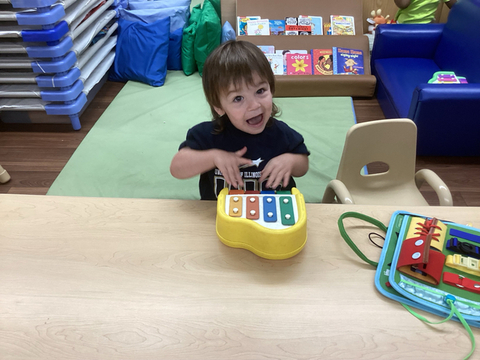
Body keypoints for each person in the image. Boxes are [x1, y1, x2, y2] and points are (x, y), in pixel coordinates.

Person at [170, 40, 310, 200]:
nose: (254, 105)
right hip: (221, 216)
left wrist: (290, 161)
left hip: (272, 214)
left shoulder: (280, 133)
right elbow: (177, 168)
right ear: (218, 106)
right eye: (238, 98)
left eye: (260, 91)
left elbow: (303, 165)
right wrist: (213, 157)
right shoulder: (208, 135)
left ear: (271, 88)